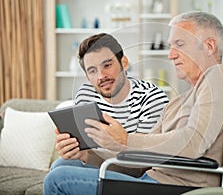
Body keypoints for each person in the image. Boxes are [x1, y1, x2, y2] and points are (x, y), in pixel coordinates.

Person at [44, 11, 223, 194]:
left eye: (179, 44)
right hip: (152, 179)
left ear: (208, 46)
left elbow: (194, 143)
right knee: (64, 162)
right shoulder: (178, 102)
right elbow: (139, 162)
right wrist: (86, 156)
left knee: (58, 179)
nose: (170, 55)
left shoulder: (220, 76)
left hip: (179, 187)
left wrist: (126, 140)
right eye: (170, 46)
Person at [48, 33, 169, 174]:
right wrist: (73, 150)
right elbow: (86, 150)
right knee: (60, 165)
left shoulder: (152, 98)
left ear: (124, 63)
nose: (101, 76)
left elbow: (143, 165)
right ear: (87, 77)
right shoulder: (85, 95)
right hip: (98, 168)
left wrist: (91, 156)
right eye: (92, 71)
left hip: (133, 177)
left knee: (58, 174)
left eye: (107, 65)